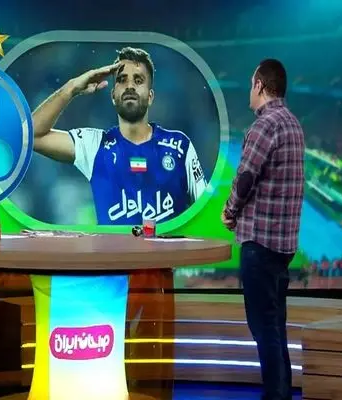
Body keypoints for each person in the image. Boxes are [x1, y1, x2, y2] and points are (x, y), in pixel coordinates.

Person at [32, 47, 207, 225]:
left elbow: (206, 212)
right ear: (113, 96)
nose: (130, 86)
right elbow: (32, 136)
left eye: (138, 80)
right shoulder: (94, 146)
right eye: (122, 80)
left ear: (150, 96)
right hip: (113, 246)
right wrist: (71, 88)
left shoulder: (180, 147)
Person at [222, 59, 305, 400]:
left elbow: (245, 178)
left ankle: (275, 395)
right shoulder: (294, 125)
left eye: (250, 84)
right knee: (275, 327)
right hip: (283, 247)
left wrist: (230, 212)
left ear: (259, 85)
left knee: (264, 329)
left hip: (260, 245)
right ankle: (280, 393)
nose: (249, 91)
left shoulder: (264, 126)